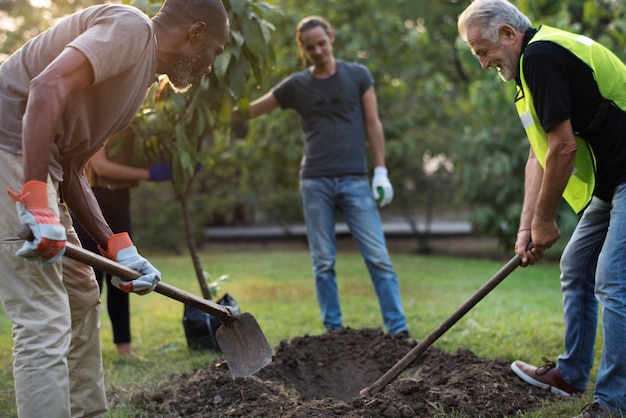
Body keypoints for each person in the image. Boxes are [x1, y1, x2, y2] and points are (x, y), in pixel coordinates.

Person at [0, 0, 228, 416]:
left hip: (42, 168)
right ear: (195, 33)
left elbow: (72, 169)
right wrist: (34, 200)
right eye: (214, 50)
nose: (211, 65)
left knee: (81, 297)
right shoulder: (130, 28)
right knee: (44, 316)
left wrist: (120, 249)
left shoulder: (136, 85)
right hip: (7, 151)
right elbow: (46, 86)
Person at [458, 1, 626, 417]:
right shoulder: (528, 74)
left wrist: (546, 219)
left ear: (508, 35)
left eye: (483, 51)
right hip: (614, 179)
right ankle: (569, 376)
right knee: (577, 266)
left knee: (612, 279)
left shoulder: (541, 56)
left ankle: (614, 401)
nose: (482, 63)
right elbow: (540, 154)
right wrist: (526, 228)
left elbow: (564, 147)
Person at [233, 16, 409, 337]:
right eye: (310, 47)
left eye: (321, 43)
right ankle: (333, 333)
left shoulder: (358, 75)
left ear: (331, 37)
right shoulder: (297, 85)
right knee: (323, 262)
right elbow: (250, 110)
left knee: (378, 258)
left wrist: (381, 171)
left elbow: (373, 124)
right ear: (303, 49)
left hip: (355, 180)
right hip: (315, 183)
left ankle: (398, 332)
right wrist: (218, 102)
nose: (318, 50)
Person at [71, 132, 174, 357]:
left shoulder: (137, 126)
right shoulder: (101, 118)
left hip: (120, 200)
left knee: (124, 272)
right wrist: (152, 174)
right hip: (89, 200)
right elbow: (101, 167)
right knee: (91, 278)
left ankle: (124, 348)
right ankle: (84, 349)